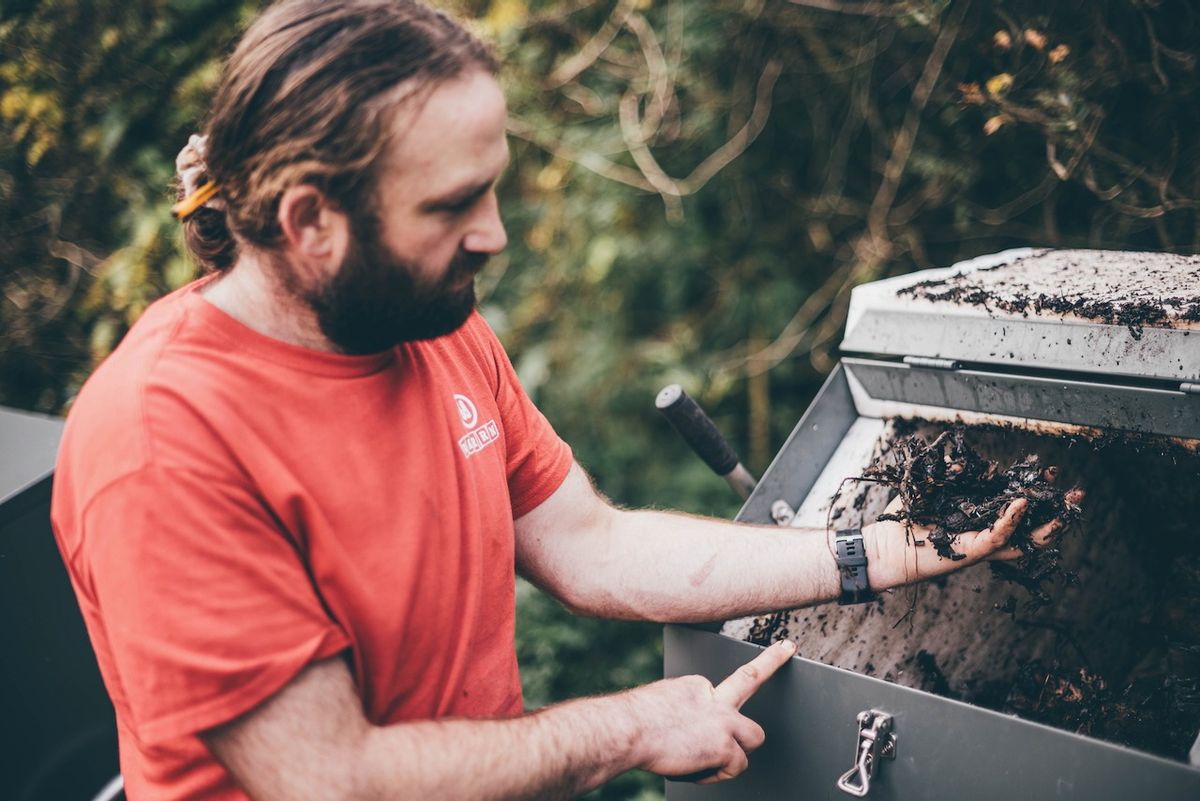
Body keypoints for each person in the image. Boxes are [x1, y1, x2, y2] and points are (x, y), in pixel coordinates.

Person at [50, 2, 1075, 799]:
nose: (495, 233)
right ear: (311, 219)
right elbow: (334, 779)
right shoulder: (164, 442)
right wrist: (630, 728)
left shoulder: (432, 326)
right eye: (453, 206)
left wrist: (878, 551)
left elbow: (588, 544)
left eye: (492, 187)